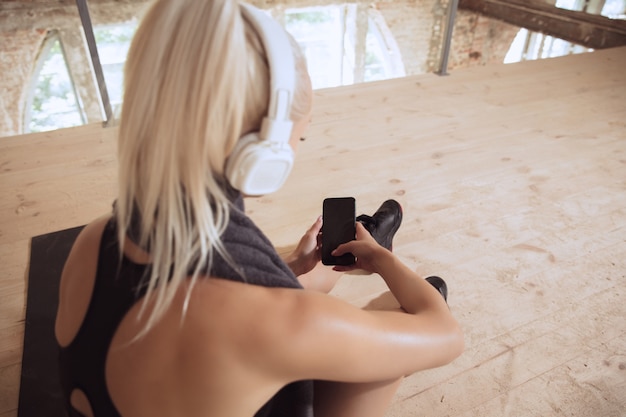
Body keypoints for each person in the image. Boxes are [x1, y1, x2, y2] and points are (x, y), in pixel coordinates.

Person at [54, 1, 463, 416]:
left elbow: (208, 304)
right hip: (255, 336)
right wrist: (384, 263)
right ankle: (376, 246)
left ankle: (362, 240)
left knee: (314, 279)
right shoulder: (271, 322)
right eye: (297, 140)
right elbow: (444, 334)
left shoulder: (94, 239)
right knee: (392, 328)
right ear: (262, 152)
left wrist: (289, 267)